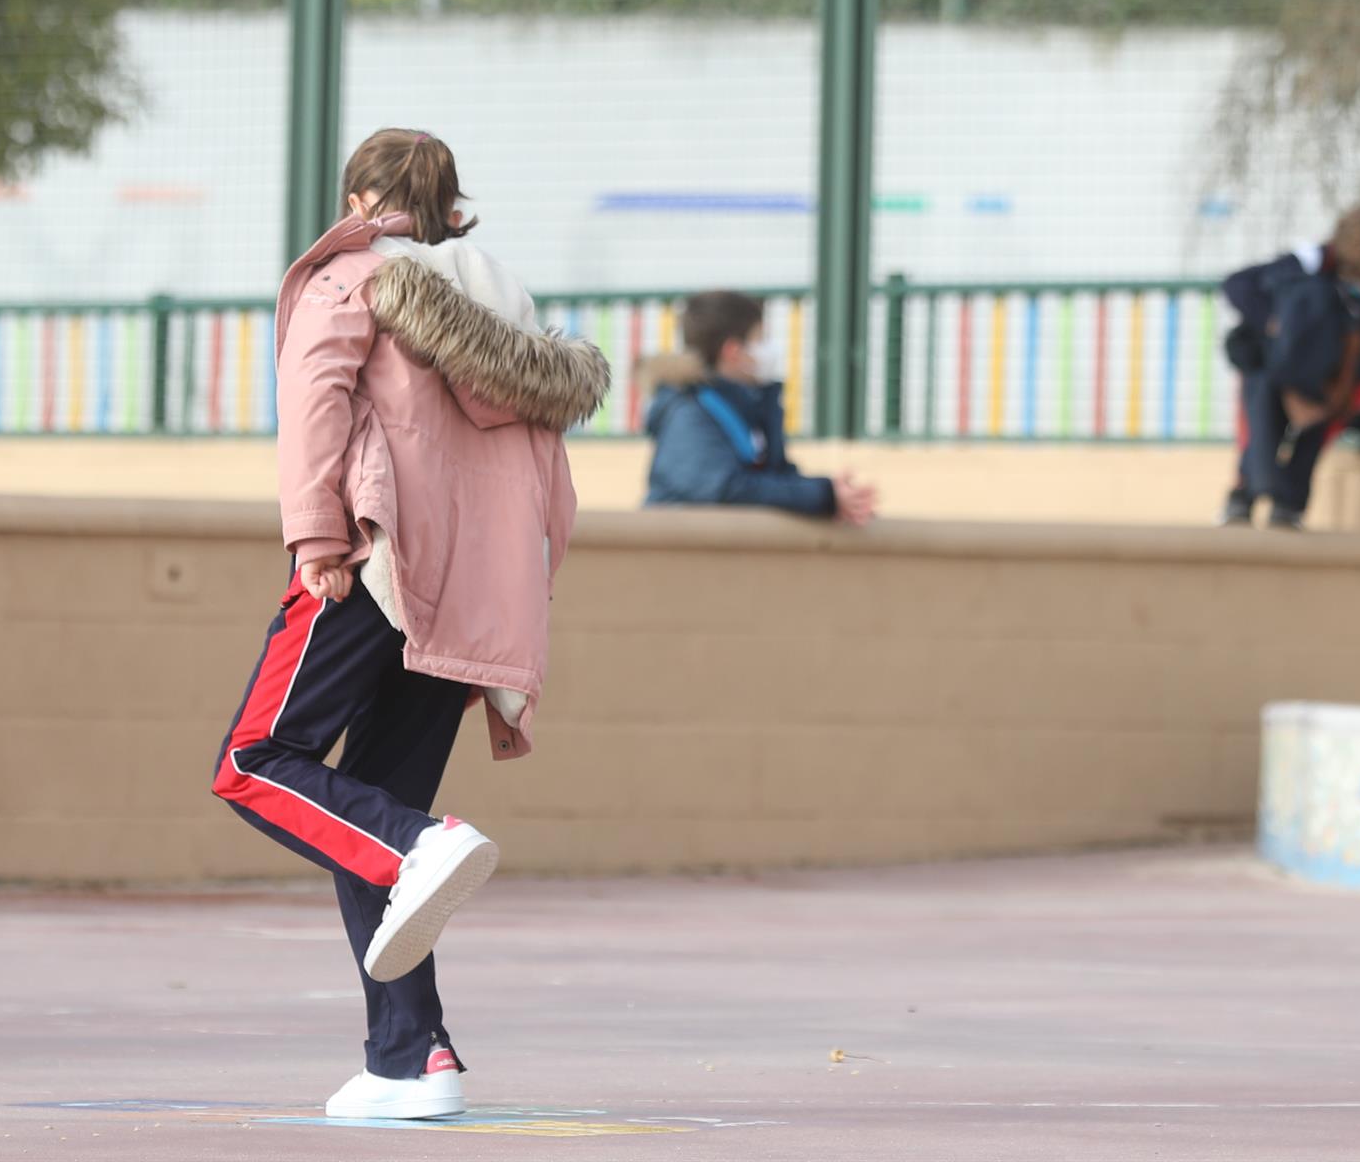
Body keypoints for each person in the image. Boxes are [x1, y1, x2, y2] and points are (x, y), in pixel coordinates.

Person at [210, 129, 609, 1120]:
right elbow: (548, 483)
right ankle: (413, 1058)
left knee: (259, 759)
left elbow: (318, 401)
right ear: (451, 207)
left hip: (372, 561)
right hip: (476, 590)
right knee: (370, 808)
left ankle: (417, 845)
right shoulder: (505, 308)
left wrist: (314, 535)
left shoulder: (348, 273)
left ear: (358, 196)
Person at [1220, 202, 1360, 529]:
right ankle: (1247, 490)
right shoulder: (1317, 262)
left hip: (1348, 385)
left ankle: (1288, 500)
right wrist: (1275, 323)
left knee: (1333, 403)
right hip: (1290, 367)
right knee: (1263, 387)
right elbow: (1238, 285)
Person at [643, 290, 877, 524]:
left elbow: (774, 477)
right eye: (761, 339)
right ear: (733, 351)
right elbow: (725, 489)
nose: (771, 349)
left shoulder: (747, 409)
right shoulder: (688, 412)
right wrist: (822, 495)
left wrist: (834, 496)